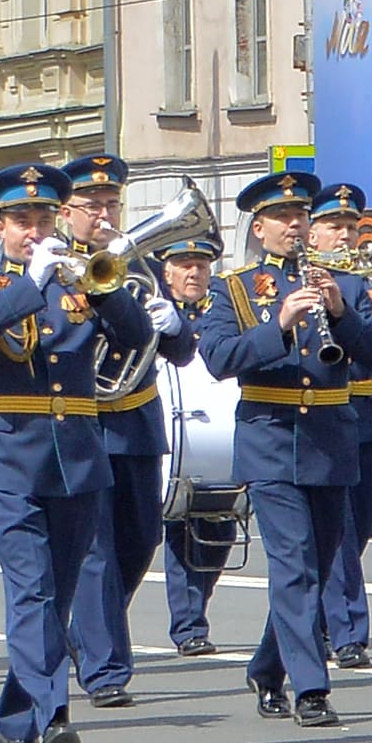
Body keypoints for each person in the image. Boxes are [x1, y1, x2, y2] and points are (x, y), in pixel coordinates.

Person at [0, 162, 139, 743]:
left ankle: (18, 718)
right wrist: (27, 282)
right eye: (22, 221)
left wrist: (107, 286)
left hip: (76, 454)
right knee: (30, 590)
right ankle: (54, 715)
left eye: (44, 219)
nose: (35, 230)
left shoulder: (82, 282)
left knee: (54, 598)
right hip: (7, 455)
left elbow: (133, 337)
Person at [196, 170, 365, 726]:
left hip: (331, 438)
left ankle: (269, 666)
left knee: (315, 566)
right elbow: (220, 358)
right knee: (293, 565)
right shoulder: (235, 288)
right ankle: (311, 687)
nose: (295, 226)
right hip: (271, 439)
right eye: (284, 219)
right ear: (260, 227)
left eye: (302, 217)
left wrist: (340, 312)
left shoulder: (339, 280)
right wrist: (282, 323)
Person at [60, 152, 186, 711]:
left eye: (113, 204)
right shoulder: (56, 264)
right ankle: (106, 668)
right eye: (94, 206)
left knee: (140, 541)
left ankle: (86, 630)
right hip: (81, 423)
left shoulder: (139, 265)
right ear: (67, 211)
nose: (106, 216)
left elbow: (179, 352)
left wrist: (176, 323)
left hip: (135, 419)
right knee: (96, 551)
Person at [304, 184, 372, 667]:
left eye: (350, 228)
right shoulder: (299, 281)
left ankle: (313, 612)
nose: (344, 236)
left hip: (365, 415)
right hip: (324, 415)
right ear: (312, 233)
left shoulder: (365, 283)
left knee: (362, 524)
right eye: (334, 227)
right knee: (338, 527)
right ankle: (348, 630)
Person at [143, 226, 235, 653]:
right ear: (167, 271)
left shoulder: (227, 309)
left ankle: (194, 615)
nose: (194, 273)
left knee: (216, 532)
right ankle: (189, 626)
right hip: (167, 442)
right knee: (173, 532)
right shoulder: (152, 313)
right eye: (184, 265)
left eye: (201, 265)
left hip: (218, 445)